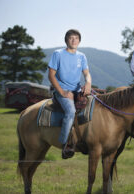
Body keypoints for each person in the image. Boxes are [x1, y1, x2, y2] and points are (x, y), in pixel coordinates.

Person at [48, 29, 92, 159]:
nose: (74, 40)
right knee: (71, 112)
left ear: (79, 41)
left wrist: (88, 83)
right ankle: (65, 143)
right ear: (66, 40)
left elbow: (86, 74)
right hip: (62, 90)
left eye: (76, 38)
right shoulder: (58, 54)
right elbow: (51, 75)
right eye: (71, 38)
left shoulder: (82, 56)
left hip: (77, 90)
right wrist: (62, 92)